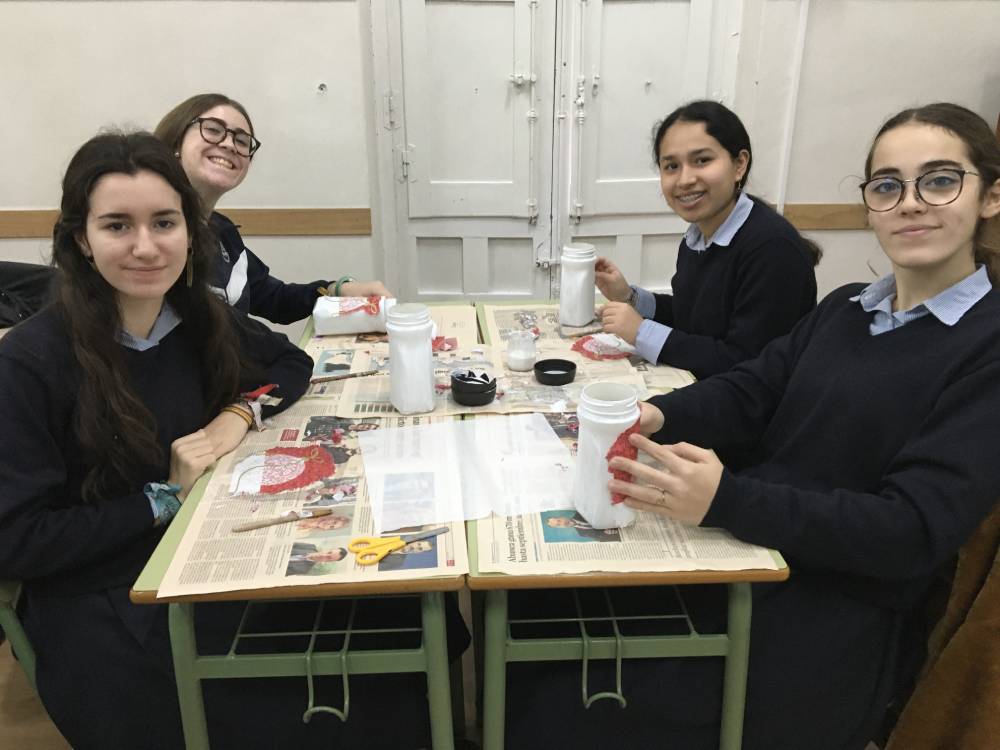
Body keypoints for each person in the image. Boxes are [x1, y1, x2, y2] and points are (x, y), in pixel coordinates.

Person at [509, 103, 1000, 750]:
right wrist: (657, 413)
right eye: (887, 186)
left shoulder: (985, 347)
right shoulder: (846, 308)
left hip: (828, 603)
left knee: (567, 700)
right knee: (534, 607)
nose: (910, 203)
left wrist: (728, 500)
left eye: (939, 181)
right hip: (751, 545)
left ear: (991, 197)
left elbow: (908, 532)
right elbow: (754, 387)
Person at [0, 131, 315, 748]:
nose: (146, 247)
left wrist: (237, 415)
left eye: (164, 223)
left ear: (191, 234)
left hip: (198, 550)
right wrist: (161, 498)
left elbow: (289, 363)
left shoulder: (196, 316)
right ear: (81, 241)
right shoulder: (32, 360)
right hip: (98, 593)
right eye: (117, 225)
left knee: (389, 620)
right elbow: (16, 540)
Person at [596, 100, 820, 378]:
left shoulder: (772, 249)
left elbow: (746, 364)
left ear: (739, 164)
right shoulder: (697, 237)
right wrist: (629, 297)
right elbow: (692, 318)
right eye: (671, 166)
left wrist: (641, 332)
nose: (684, 179)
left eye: (702, 160)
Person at [154, 93, 391, 324]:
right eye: (214, 130)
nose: (229, 145)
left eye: (242, 141)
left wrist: (335, 290)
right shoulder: (154, 237)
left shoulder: (223, 233)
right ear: (176, 141)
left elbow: (274, 298)